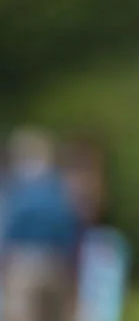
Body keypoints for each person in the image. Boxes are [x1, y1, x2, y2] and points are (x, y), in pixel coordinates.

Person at [0, 129, 83, 321]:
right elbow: (70, 229)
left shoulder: (14, 186)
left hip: (23, 263)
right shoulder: (60, 185)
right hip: (56, 263)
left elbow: (7, 226)